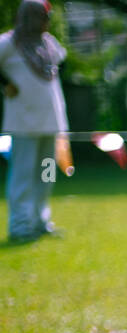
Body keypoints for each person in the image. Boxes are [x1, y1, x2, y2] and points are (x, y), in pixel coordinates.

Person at [0, 0, 68, 243]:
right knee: (23, 175)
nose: (46, 22)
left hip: (51, 123)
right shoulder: (8, 42)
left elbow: (61, 62)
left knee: (46, 176)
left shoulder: (49, 43)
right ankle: (20, 226)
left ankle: (40, 221)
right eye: (42, 16)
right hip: (24, 123)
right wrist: (5, 83)